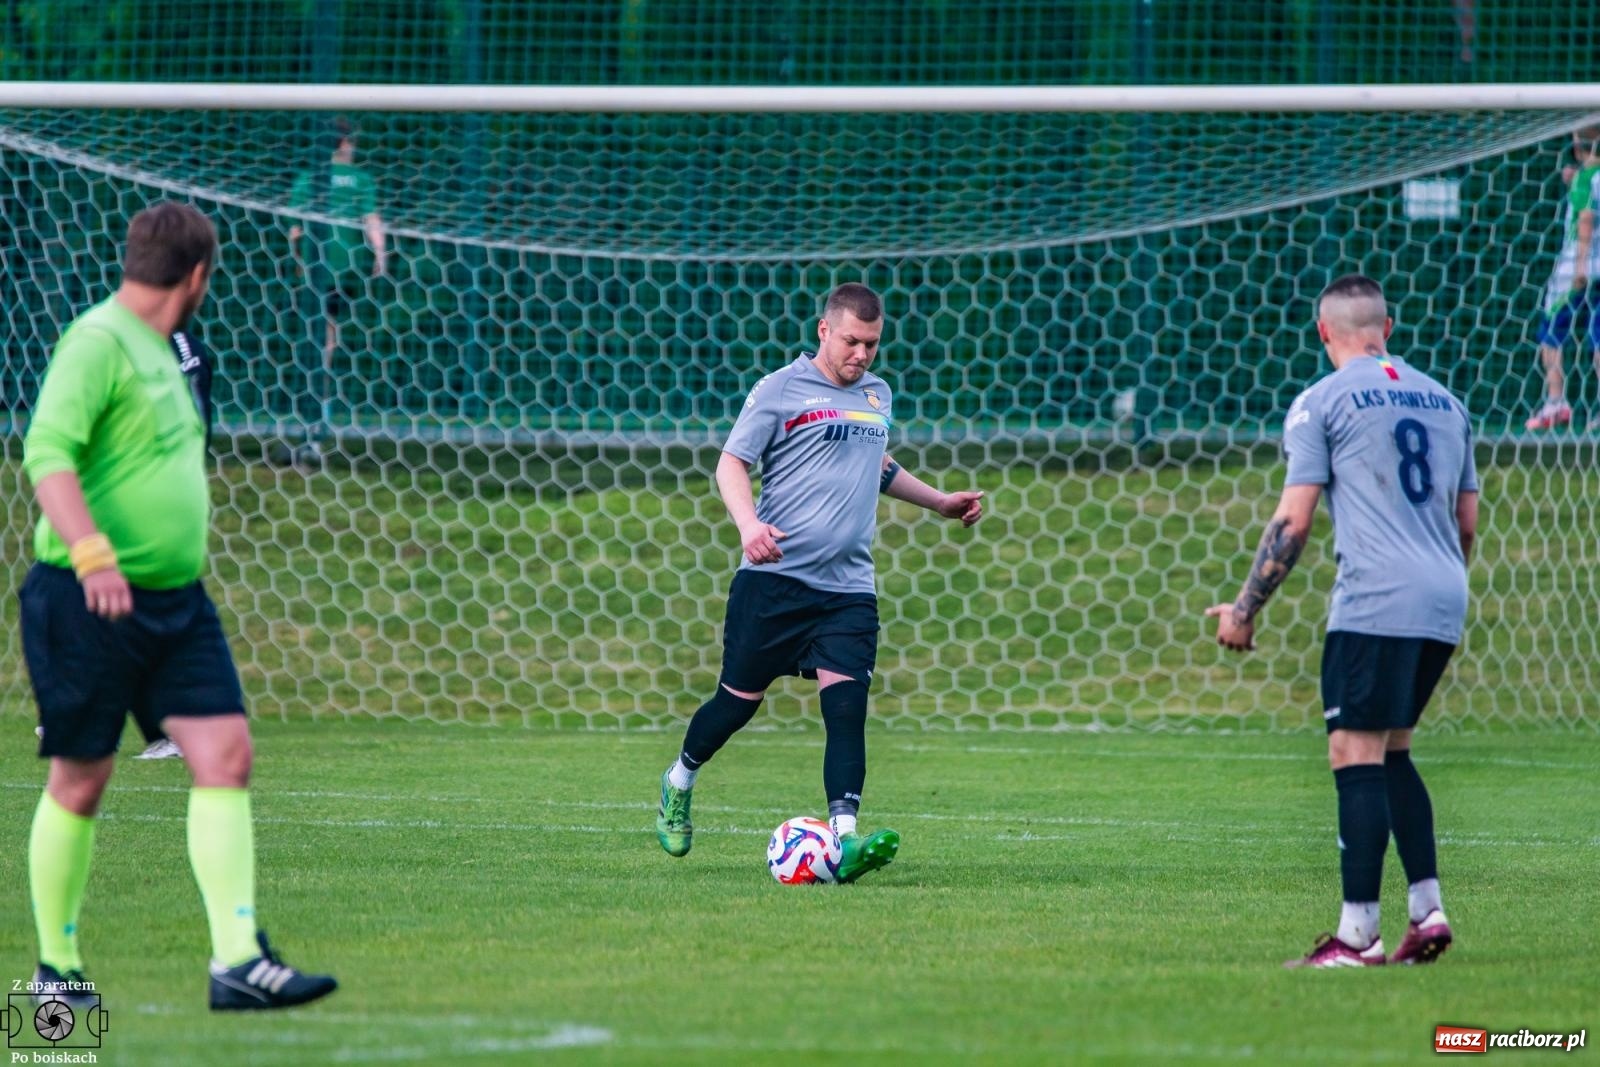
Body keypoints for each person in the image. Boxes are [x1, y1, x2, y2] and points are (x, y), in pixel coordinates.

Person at [20, 201, 337, 1009]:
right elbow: (46, 451)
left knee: (224, 753)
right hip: (88, 595)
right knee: (80, 780)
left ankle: (237, 961)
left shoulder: (165, 349)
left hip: (176, 604)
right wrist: (92, 553)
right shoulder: (96, 341)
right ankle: (55, 979)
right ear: (196, 276)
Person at [654, 283, 985, 882]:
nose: (863, 354)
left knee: (847, 709)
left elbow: (877, 465)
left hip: (849, 589)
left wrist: (939, 503)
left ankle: (846, 840)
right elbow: (732, 462)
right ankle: (680, 779)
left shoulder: (878, 395)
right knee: (735, 705)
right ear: (824, 332)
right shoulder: (780, 389)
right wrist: (748, 523)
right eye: (853, 341)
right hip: (775, 582)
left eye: (873, 343)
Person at [1206, 274, 1479, 969]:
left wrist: (1244, 609)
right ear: (1388, 327)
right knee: (1394, 750)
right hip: (1444, 596)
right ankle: (1428, 910)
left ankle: (1358, 936)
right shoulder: (1447, 402)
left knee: (1352, 753)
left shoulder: (1321, 400)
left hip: (1376, 599)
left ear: (1323, 332)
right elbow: (1466, 523)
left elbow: (1292, 519)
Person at [284, 118, 386, 463]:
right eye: (352, 142)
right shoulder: (361, 180)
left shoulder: (307, 178)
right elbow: (371, 221)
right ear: (343, 143)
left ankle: (312, 413)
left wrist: (299, 260)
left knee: (318, 338)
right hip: (344, 268)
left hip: (315, 267)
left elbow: (296, 231)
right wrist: (380, 254)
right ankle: (318, 415)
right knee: (328, 339)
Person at [1525, 126, 1600, 430]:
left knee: (1551, 331)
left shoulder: (1587, 176)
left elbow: (1585, 218)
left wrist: (1580, 266)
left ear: (1577, 143)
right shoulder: (1584, 176)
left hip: (1578, 267)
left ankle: (1555, 402)